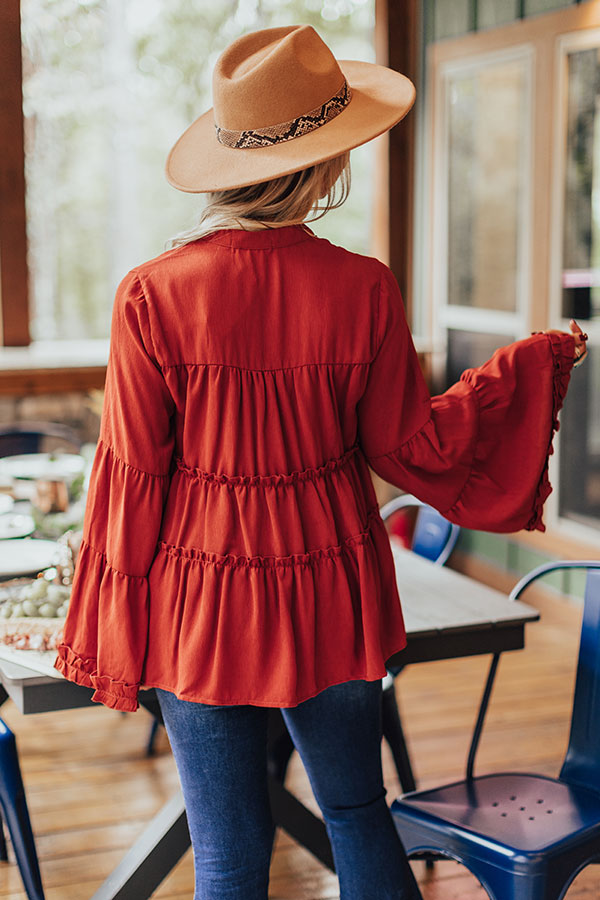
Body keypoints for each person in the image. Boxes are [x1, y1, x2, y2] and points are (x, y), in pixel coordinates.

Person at [54, 24, 587, 900]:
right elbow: (409, 448)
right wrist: (519, 372)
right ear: (326, 166)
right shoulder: (364, 287)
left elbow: (136, 473)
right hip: (330, 578)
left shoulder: (152, 293)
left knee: (227, 852)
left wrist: (116, 604)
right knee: (356, 813)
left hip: (204, 593)